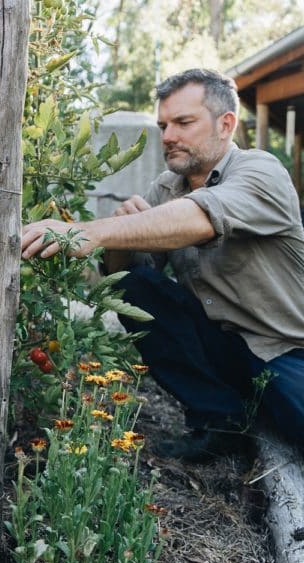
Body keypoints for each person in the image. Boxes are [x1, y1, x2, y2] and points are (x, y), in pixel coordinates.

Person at [21, 68, 304, 462]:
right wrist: (121, 232)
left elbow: (199, 219)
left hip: (286, 350)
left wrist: (93, 231)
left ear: (226, 125)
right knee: (136, 287)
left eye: (184, 122)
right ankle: (218, 420)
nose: (168, 136)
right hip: (222, 346)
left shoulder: (260, 171)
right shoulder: (167, 187)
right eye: (163, 125)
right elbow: (126, 274)